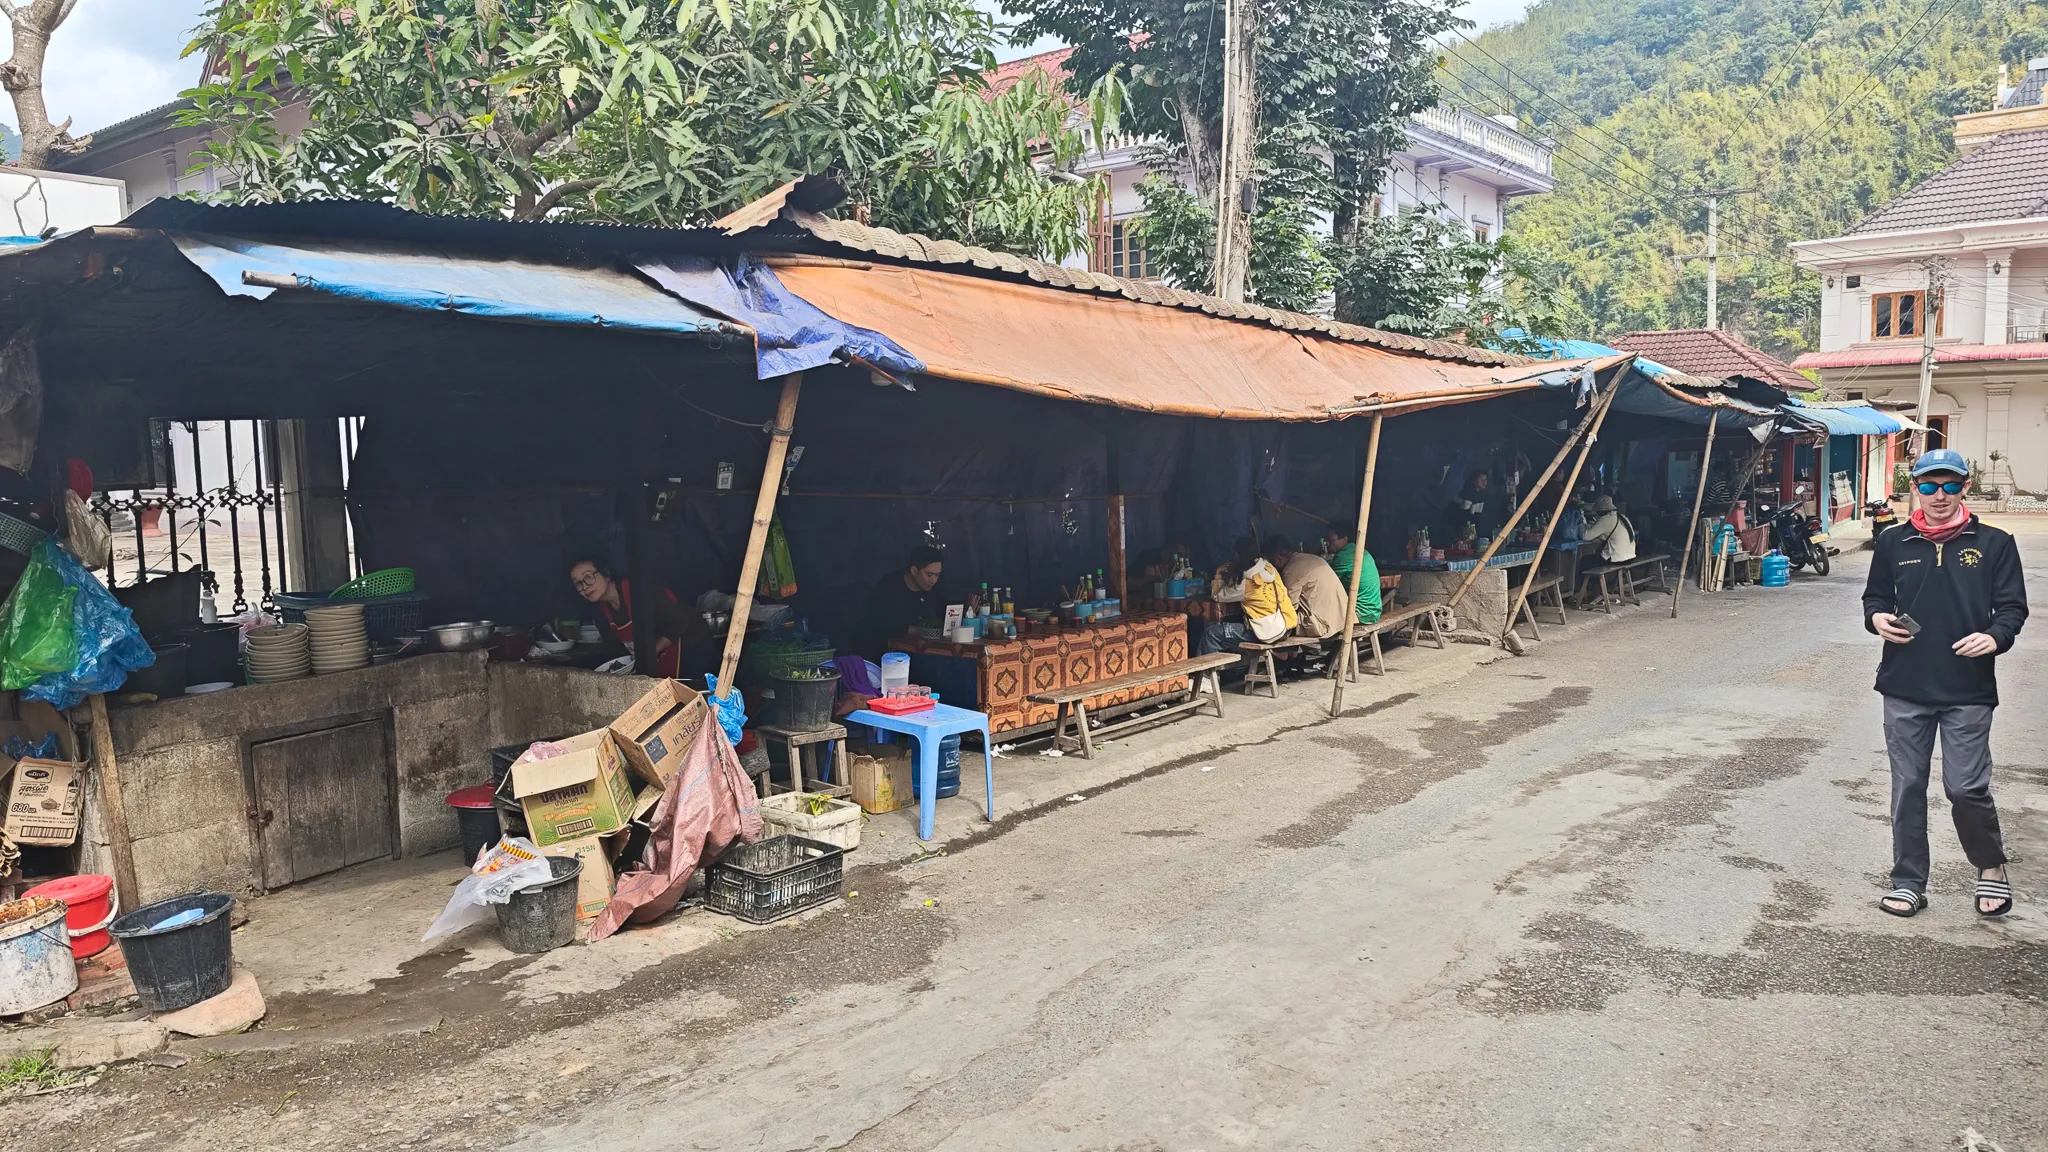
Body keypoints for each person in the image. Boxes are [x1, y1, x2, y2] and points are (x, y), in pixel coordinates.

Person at [1863, 449, 2026, 919]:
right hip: (1904, 683)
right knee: (1908, 785)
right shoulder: (1894, 541)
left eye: (1950, 485)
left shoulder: (1995, 543)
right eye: (1930, 485)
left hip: (1967, 687)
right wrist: (1877, 619)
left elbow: (2013, 608)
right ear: (1916, 486)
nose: (1940, 495)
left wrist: (1994, 637)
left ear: (1965, 488)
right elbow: (1874, 596)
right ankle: (1908, 879)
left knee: (1965, 787)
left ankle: (1990, 868)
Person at [569, 556, 708, 678]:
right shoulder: (599, 611)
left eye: (588, 577)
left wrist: (649, 652)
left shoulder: (640, 592)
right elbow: (615, 649)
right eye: (578, 583)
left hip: (690, 647)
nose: (584, 586)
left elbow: (680, 620)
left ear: (606, 573)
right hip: (653, 660)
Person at [1199, 536, 1296, 654]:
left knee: (1211, 633)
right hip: (1285, 626)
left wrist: (1218, 574)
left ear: (1237, 555)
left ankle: (1207, 672)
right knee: (1231, 629)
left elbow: (1217, 595)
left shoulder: (1247, 583)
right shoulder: (1269, 568)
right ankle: (1235, 669)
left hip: (1266, 632)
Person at [859, 545, 945, 658]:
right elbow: (887, 624)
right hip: (881, 654)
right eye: (929, 575)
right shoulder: (890, 586)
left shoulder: (932, 590)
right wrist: (924, 631)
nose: (933, 580)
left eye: (937, 575)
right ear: (914, 570)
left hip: (919, 653)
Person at [1267, 540, 1346, 640]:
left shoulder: (1291, 570)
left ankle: (1284, 654)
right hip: (1342, 618)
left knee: (1278, 627)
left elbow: (1289, 607)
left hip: (1323, 625)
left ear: (1278, 559)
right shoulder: (1312, 558)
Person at [1320, 522, 1383, 629]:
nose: (1328, 544)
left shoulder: (1344, 556)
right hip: (1374, 611)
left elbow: (1327, 583)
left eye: (1332, 540)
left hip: (1360, 613)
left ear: (1344, 539)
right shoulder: (1359, 550)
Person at [1445, 469, 1503, 541]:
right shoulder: (1468, 494)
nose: (1484, 482)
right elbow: (1462, 516)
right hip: (1453, 527)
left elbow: (1475, 517)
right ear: (1474, 480)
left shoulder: (1480, 495)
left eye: (1486, 480)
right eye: (1481, 480)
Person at [1579, 495, 1637, 563]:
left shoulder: (1605, 519)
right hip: (1630, 556)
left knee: (1584, 561)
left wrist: (1580, 524)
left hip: (1617, 558)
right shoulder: (1622, 516)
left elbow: (1585, 536)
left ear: (1600, 510)